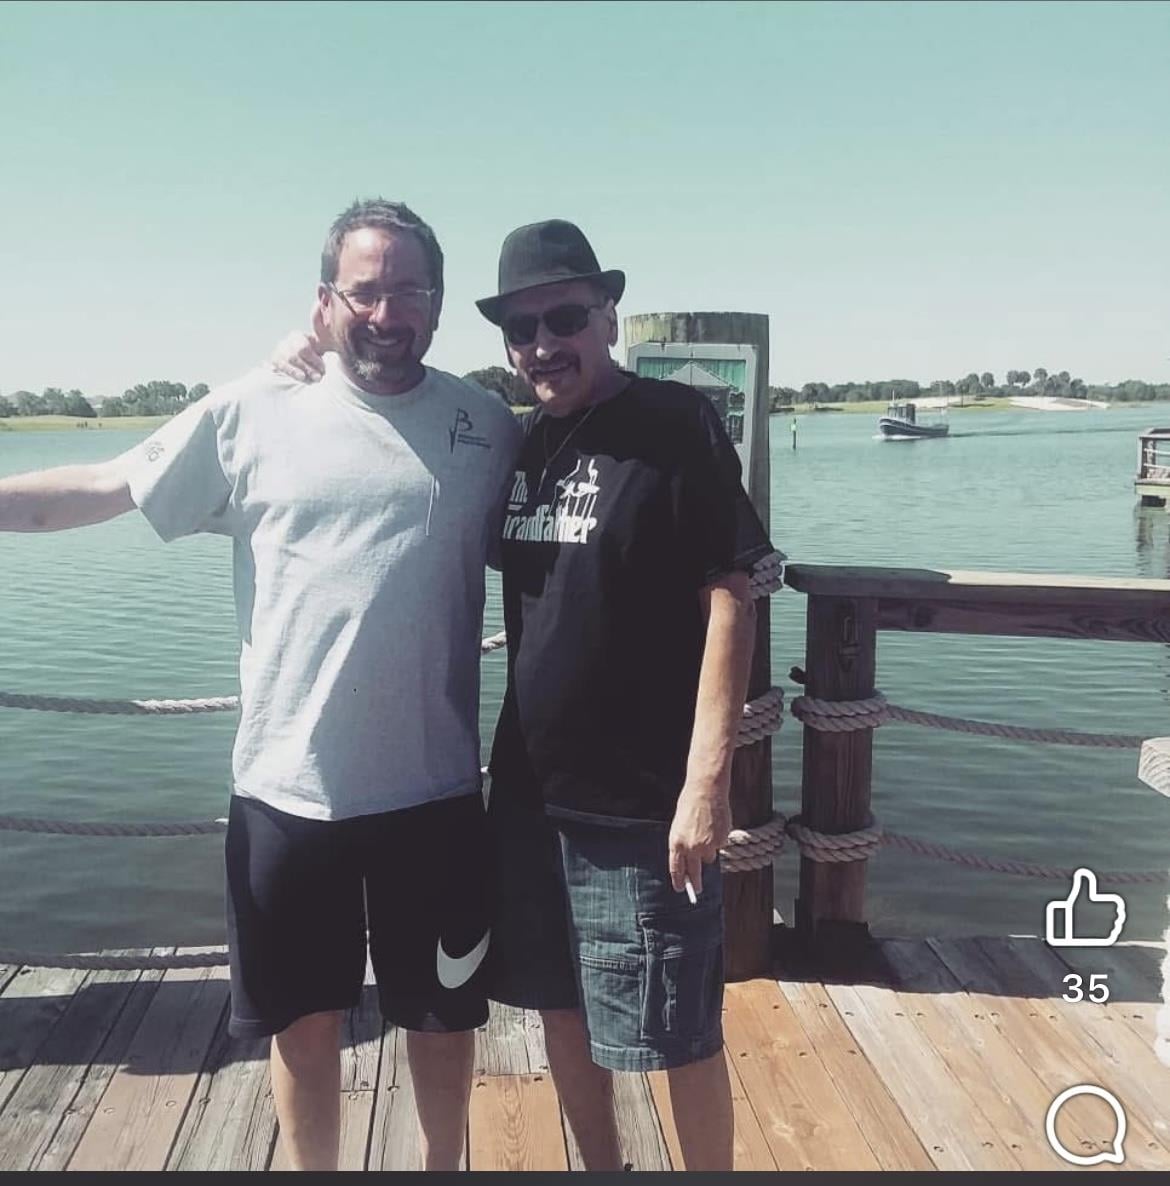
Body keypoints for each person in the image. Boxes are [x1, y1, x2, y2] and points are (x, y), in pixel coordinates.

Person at [0, 198, 522, 1171]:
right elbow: (106, 486)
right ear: (327, 302)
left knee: (442, 1022)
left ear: (440, 304)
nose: (387, 310)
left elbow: (588, 535)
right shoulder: (250, 410)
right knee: (303, 1025)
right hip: (288, 798)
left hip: (438, 797)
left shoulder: (487, 427)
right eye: (365, 290)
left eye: (409, 289)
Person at [271, 218, 772, 1170]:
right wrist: (298, 352)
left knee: (678, 1032)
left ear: (608, 318)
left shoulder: (674, 425)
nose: (544, 343)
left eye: (566, 318)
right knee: (563, 1017)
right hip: (532, 801)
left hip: (644, 804)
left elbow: (731, 595)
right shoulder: (518, 443)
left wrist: (707, 781)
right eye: (521, 329)